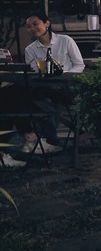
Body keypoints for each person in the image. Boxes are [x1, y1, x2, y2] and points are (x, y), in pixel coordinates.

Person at [18, 11, 85, 154]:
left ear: (47, 23)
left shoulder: (65, 41)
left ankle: (41, 137)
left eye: (35, 24)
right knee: (26, 96)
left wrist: (65, 75)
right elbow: (34, 72)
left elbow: (79, 65)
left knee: (34, 99)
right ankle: (43, 137)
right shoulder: (30, 49)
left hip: (67, 86)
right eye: (28, 26)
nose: (32, 28)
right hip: (45, 87)